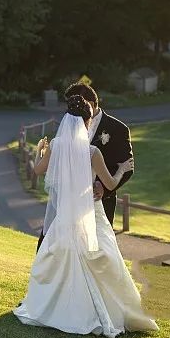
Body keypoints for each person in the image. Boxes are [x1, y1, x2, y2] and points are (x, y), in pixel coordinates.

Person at [13, 95, 157, 338]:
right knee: (102, 258)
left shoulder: (57, 145)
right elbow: (109, 184)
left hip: (65, 218)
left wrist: (39, 150)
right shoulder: (92, 153)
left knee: (60, 259)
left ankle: (58, 310)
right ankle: (99, 311)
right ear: (88, 122)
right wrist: (122, 168)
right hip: (91, 213)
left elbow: (37, 171)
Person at [36, 82, 133, 251]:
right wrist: (120, 170)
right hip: (68, 206)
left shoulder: (118, 129)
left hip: (91, 203)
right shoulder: (88, 146)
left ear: (92, 103)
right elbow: (121, 170)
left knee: (85, 252)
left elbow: (128, 167)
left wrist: (102, 186)